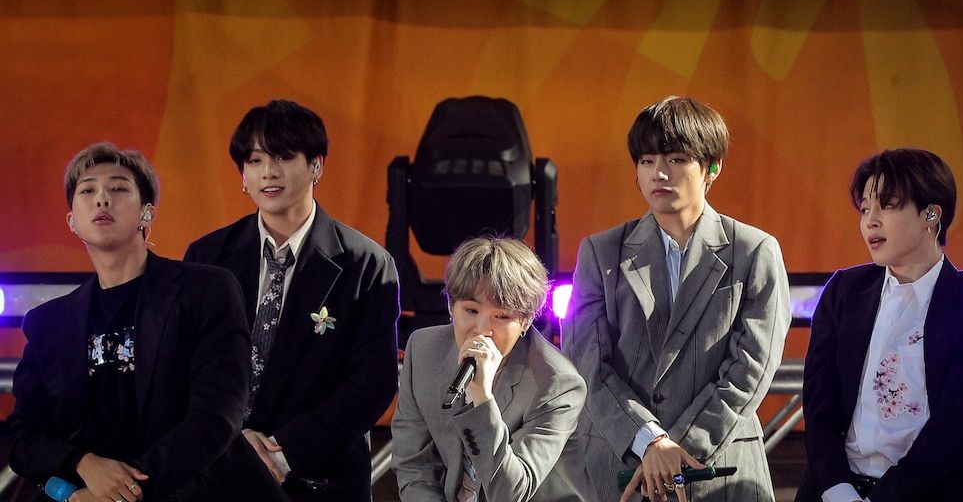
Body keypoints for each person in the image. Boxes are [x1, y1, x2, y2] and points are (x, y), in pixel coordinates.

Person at [4, 143, 285, 501]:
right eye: (88, 190)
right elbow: (21, 437)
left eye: (119, 188)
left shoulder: (206, 290)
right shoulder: (49, 322)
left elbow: (216, 418)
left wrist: (125, 493)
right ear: (72, 221)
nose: (102, 198)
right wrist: (81, 466)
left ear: (146, 213)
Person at [562, 96, 791, 501]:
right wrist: (649, 440)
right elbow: (588, 364)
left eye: (677, 159)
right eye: (647, 161)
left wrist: (676, 450)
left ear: (712, 168)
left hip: (719, 469)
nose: (659, 173)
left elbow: (752, 368)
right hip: (622, 467)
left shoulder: (754, 251)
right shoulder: (601, 252)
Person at [184, 99, 400, 501]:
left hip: (319, 479)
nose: (268, 172)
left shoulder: (366, 264)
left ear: (316, 165)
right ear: (243, 174)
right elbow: (188, 369)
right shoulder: (207, 256)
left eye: (283, 157)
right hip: (217, 472)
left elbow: (372, 383)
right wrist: (234, 444)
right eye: (255, 160)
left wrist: (283, 452)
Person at [795, 149, 963, 502]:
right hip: (836, 491)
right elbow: (819, 403)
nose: (871, 221)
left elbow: (955, 426)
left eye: (887, 206)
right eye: (865, 209)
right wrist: (838, 489)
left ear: (931, 214)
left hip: (932, 492)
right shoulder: (844, 291)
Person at [391, 237, 592, 501]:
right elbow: (414, 466)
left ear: (526, 321)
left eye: (502, 316)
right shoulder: (424, 350)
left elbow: (510, 493)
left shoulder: (557, 383)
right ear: (451, 306)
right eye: (471, 310)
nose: (482, 329)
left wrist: (482, 398)